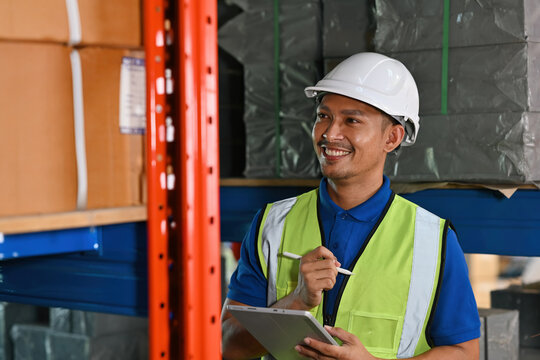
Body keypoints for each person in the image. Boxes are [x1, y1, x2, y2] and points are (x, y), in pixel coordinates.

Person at [221, 53, 480, 360]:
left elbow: (464, 352)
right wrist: (297, 302)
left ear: (392, 137)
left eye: (351, 120)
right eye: (323, 116)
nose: (330, 133)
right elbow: (229, 346)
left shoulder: (433, 241)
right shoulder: (272, 224)